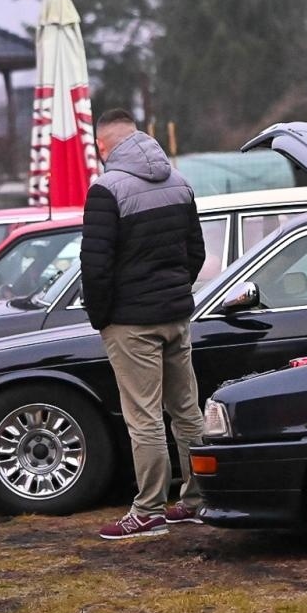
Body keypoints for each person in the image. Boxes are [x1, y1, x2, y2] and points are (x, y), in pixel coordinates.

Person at [80, 109, 207, 540]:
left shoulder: (105, 189)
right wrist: (174, 292)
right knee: (187, 411)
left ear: (105, 146)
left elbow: (95, 267)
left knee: (144, 417)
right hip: (175, 314)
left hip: (130, 322)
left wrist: (103, 317)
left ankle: (149, 508)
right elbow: (197, 252)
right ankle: (198, 499)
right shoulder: (180, 182)